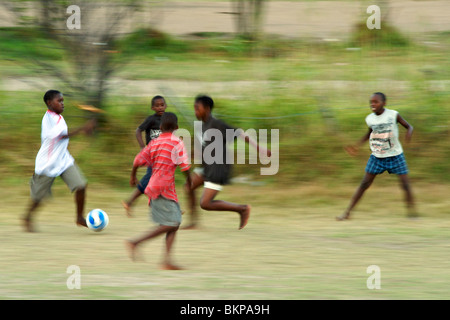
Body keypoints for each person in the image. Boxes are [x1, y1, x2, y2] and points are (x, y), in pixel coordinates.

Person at [183, 95, 271, 230]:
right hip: (206, 166)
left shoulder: (216, 124)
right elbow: (203, 148)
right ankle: (194, 223)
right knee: (188, 187)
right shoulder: (202, 126)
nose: (195, 112)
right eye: (194, 108)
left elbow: (240, 133)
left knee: (205, 203)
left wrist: (259, 148)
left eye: (197, 108)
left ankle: (242, 209)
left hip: (218, 167)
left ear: (206, 109)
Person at [125, 112, 192, 270]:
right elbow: (185, 166)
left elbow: (138, 160)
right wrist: (190, 181)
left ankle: (167, 261)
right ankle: (136, 242)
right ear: (176, 128)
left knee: (174, 224)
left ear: (160, 127)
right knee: (172, 223)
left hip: (158, 186)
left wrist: (133, 176)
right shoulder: (177, 143)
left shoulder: (154, 143)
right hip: (163, 188)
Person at [23, 90, 96, 232]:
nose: (63, 104)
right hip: (48, 164)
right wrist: (83, 128)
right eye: (59, 101)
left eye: (63, 101)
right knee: (39, 197)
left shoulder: (58, 117)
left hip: (63, 160)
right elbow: (61, 136)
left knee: (81, 185)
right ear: (49, 103)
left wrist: (85, 129)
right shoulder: (48, 119)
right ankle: (27, 217)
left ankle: (80, 218)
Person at [337, 92, 417, 220]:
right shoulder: (370, 119)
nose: (373, 104)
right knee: (364, 184)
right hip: (377, 156)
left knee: (405, 185)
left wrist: (409, 134)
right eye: (371, 102)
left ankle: (412, 214)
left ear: (384, 103)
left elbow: (409, 126)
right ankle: (347, 213)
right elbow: (369, 133)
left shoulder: (393, 115)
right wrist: (357, 146)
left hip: (395, 155)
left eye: (376, 102)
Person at [122, 95, 167, 216]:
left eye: (162, 105)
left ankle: (152, 203)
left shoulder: (167, 120)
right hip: (153, 155)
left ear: (166, 106)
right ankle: (132, 202)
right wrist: (142, 147)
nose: (160, 107)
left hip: (163, 156)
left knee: (158, 180)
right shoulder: (151, 120)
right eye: (157, 105)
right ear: (153, 107)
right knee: (150, 178)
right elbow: (138, 130)